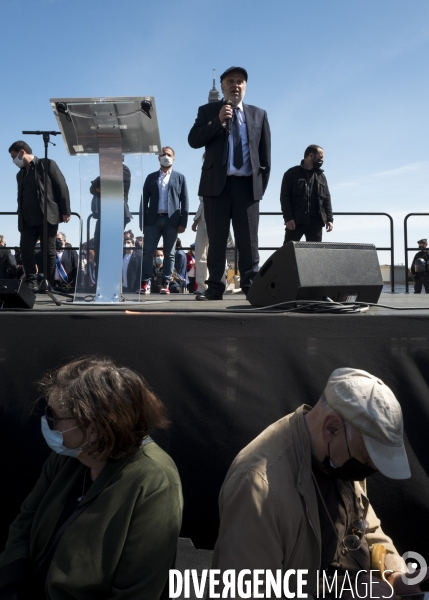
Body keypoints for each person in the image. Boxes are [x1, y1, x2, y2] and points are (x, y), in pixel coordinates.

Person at [211, 368, 427, 599]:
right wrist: (346, 592)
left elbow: (367, 529)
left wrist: (394, 574)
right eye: (366, 458)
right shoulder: (258, 487)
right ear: (331, 428)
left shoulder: (338, 457)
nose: (369, 469)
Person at [0, 356, 183, 600]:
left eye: (55, 416)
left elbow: (138, 589)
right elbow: (25, 522)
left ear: (95, 428)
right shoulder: (68, 457)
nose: (47, 422)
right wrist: (12, 585)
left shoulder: (153, 481)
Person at [188, 66, 271, 300]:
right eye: (231, 81)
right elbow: (193, 140)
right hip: (216, 188)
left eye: (240, 81)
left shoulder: (259, 115)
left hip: (247, 188)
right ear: (223, 87)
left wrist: (259, 189)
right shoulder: (208, 111)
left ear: (245, 86)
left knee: (249, 242)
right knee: (216, 240)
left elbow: (266, 157)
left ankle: (252, 288)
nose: (236, 85)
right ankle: (214, 287)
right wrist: (217, 122)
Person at [8, 140, 71, 291]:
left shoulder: (47, 164)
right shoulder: (20, 174)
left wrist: (65, 210)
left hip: (47, 216)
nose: (13, 161)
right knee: (25, 248)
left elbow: (61, 185)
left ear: (22, 152)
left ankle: (47, 283)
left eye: (14, 157)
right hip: (27, 219)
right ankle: (31, 281)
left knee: (48, 251)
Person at [139, 147, 189, 295]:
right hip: (153, 221)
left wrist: (183, 222)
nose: (166, 157)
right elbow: (144, 200)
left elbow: (185, 201)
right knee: (148, 252)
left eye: (169, 155)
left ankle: (165, 283)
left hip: (171, 221)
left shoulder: (180, 178)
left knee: (170, 254)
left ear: (173, 158)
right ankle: (145, 283)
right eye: (163, 154)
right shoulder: (151, 177)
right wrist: (143, 222)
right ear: (158, 158)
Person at [280, 144, 333, 243]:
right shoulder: (291, 173)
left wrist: (329, 219)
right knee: (288, 254)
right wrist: (288, 218)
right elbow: (284, 198)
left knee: (315, 255)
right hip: (295, 221)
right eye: (320, 158)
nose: (321, 161)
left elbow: (327, 198)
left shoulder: (321, 176)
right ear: (311, 156)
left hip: (316, 222)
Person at [192, 196, 208, 295]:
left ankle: (219, 283)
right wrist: (196, 221)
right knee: (199, 253)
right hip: (202, 219)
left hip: (216, 216)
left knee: (215, 252)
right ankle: (202, 285)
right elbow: (202, 203)